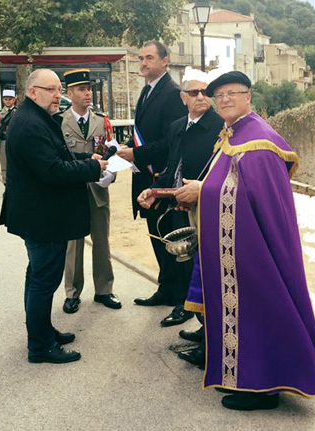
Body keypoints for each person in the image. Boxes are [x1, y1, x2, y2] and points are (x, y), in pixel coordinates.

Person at [174, 71, 315, 410]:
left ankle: (264, 388)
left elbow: (254, 197)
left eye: (233, 93)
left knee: (259, 312)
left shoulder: (258, 140)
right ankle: (244, 378)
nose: (225, 99)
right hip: (239, 244)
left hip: (255, 247)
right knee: (244, 313)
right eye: (220, 95)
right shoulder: (235, 133)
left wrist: (204, 191)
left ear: (248, 97)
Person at [0, 68, 107, 364]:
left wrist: (87, 158)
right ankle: (40, 346)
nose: (59, 95)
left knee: (38, 277)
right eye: (52, 90)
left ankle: (43, 331)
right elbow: (53, 170)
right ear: (33, 92)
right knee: (43, 280)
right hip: (41, 218)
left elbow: (57, 156)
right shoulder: (31, 123)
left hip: (39, 215)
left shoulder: (35, 117)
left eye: (60, 89)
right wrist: (94, 169)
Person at [137, 67, 223, 343]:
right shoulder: (177, 127)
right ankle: (191, 314)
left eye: (205, 92)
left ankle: (208, 331)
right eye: (194, 92)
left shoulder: (219, 127)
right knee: (184, 262)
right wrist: (157, 191)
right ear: (183, 97)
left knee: (206, 268)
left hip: (206, 207)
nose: (201, 97)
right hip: (177, 205)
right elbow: (173, 166)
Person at [117, 40, 188, 309]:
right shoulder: (147, 91)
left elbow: (172, 141)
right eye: (141, 58)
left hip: (162, 178)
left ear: (164, 61)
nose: (143, 63)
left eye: (149, 58)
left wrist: (138, 154)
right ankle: (166, 288)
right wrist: (133, 150)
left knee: (170, 239)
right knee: (156, 237)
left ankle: (181, 298)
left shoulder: (172, 92)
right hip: (146, 177)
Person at [59, 68, 120, 313]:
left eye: (89, 89)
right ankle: (72, 293)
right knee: (73, 244)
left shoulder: (101, 121)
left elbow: (111, 152)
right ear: (70, 93)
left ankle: (104, 290)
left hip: (97, 189)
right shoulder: (60, 122)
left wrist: (111, 175)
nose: (88, 94)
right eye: (82, 90)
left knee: (102, 241)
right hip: (72, 191)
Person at [0, 89, 17, 183]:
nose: (8, 101)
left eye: (10, 99)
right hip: (4, 141)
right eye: (6, 99)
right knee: (4, 164)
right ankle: (6, 183)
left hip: (16, 142)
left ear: (14, 100)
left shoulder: (18, 112)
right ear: (3, 100)